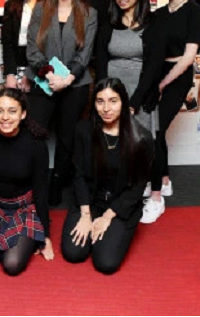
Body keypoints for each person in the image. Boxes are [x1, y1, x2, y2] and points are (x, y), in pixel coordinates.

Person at [61, 78, 153, 274]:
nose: (106, 108)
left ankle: (110, 230)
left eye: (113, 101)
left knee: (105, 263)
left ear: (124, 103)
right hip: (90, 201)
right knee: (73, 253)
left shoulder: (142, 138)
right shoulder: (83, 130)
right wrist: (86, 215)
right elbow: (77, 174)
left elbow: (137, 187)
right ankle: (92, 225)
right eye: (100, 101)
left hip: (120, 204)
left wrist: (107, 217)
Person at [141, 0, 200, 224]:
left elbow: (190, 56)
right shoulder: (157, 15)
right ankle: (164, 178)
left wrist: (164, 82)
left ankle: (156, 197)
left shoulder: (195, 12)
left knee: (155, 130)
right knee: (154, 129)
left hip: (177, 75)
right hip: (157, 73)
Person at [27, 0, 98, 205]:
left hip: (74, 84)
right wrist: (50, 76)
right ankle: (34, 182)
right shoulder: (40, 9)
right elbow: (32, 50)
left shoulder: (89, 13)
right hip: (43, 79)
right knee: (34, 132)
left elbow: (85, 54)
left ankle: (57, 182)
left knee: (67, 138)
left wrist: (66, 79)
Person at [0, 88, 54, 275]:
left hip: (24, 208)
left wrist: (46, 236)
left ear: (23, 114)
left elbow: (41, 191)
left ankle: (22, 237)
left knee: (12, 264)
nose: (5, 117)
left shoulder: (36, 144)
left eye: (12, 111)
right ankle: (5, 238)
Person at [95, 0, 165, 132]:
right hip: (111, 92)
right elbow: (101, 62)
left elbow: (153, 67)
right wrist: (105, 97)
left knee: (138, 145)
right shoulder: (108, 26)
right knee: (110, 143)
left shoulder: (154, 24)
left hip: (140, 91)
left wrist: (135, 101)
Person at [2, 0, 46, 91]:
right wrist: (10, 74)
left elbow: (52, 44)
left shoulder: (50, 6)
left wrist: (32, 72)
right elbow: (7, 42)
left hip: (42, 66)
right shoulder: (11, 5)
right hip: (17, 65)